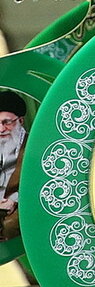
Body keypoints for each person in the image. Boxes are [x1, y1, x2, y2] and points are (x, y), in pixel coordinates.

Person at [0, 91, 28, 240]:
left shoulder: (33, 148)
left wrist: (14, 200)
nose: (1, 129)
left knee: (10, 226)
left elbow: (40, 185)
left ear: (20, 121)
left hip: (22, 208)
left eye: (7, 122)